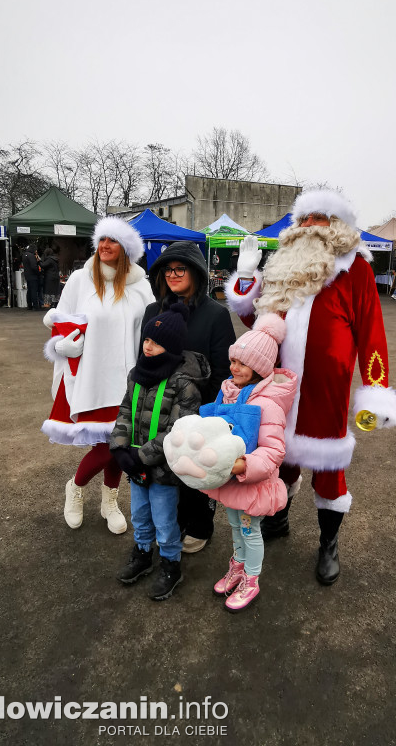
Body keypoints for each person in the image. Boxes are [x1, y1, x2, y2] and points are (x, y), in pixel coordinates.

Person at [225, 188, 396, 585]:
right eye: (304, 221)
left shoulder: (356, 269)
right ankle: (280, 516)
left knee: (328, 469)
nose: (310, 228)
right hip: (279, 385)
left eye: (320, 221)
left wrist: (375, 389)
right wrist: (248, 276)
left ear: (337, 228)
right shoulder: (284, 266)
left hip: (327, 389)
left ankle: (328, 543)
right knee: (278, 455)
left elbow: (372, 333)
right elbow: (258, 324)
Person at [42, 217, 154, 534]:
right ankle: (75, 489)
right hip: (91, 378)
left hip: (128, 380)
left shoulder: (140, 286)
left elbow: (152, 329)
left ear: (125, 249)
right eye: (101, 239)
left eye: (112, 241)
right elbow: (60, 324)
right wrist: (62, 346)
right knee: (106, 447)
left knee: (120, 447)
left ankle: (110, 500)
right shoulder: (81, 280)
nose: (104, 246)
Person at [110, 304, 210, 600]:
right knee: (139, 514)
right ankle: (142, 552)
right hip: (135, 466)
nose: (148, 346)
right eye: (146, 340)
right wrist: (120, 448)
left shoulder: (185, 386)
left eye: (156, 342)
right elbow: (125, 411)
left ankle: (170, 563)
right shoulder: (136, 374)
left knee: (165, 520)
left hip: (164, 470)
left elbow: (179, 432)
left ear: (172, 346)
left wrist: (141, 458)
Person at [141, 242, 236, 553]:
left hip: (200, 410)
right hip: (159, 408)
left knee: (196, 471)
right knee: (165, 470)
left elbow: (224, 370)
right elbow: (143, 360)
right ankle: (171, 522)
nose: (173, 274)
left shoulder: (215, 315)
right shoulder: (153, 311)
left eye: (180, 268)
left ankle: (199, 524)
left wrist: (210, 415)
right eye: (168, 269)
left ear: (196, 272)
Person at [199, 314, 297, 612]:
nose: (233, 368)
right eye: (233, 361)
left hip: (249, 481)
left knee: (249, 530)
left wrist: (244, 466)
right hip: (229, 481)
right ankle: (237, 566)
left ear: (259, 368)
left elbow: (273, 452)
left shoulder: (267, 404)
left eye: (241, 363)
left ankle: (251, 579)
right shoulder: (228, 392)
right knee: (233, 525)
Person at [22, 244, 40, 310]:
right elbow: (33, 266)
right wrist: (38, 272)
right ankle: (35, 306)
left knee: (29, 290)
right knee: (34, 291)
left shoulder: (24, 255)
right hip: (33, 275)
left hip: (27, 275)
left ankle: (29, 305)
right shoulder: (31, 256)